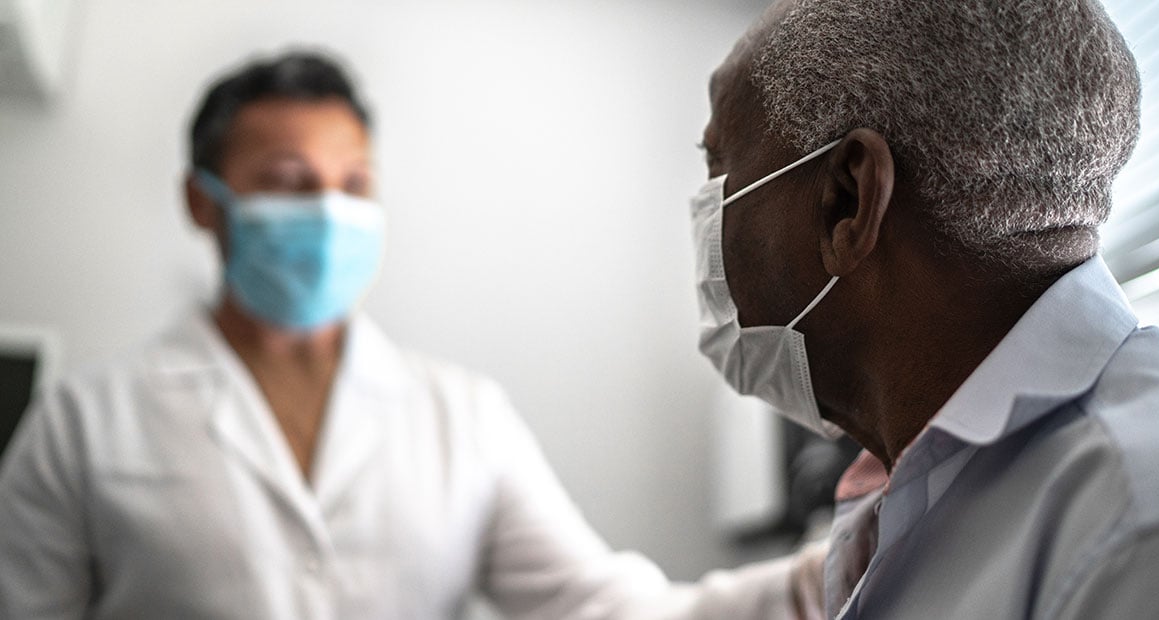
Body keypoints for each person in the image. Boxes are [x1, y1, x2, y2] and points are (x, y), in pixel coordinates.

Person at [0, 51, 815, 619]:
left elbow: (604, 609)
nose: (329, 212)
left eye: (352, 184)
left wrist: (827, 573)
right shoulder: (82, 424)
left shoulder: (462, 417)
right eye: (289, 183)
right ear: (202, 202)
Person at [692, 0, 1159, 618]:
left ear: (846, 204)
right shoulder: (926, 484)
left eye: (718, 168)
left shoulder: (1146, 526)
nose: (704, 214)